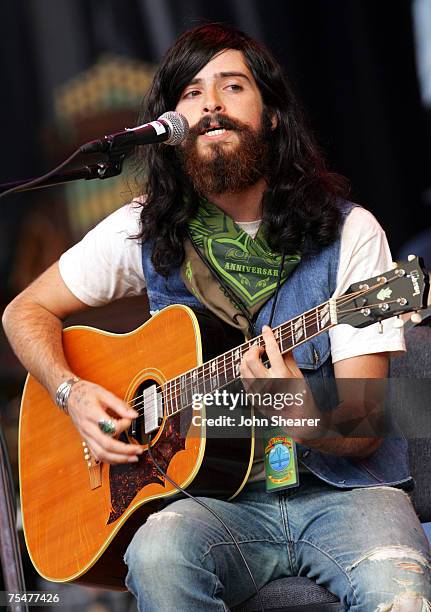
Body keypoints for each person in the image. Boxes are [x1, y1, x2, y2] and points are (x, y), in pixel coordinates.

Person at [3, 23, 431, 612]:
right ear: (170, 129)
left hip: (345, 498)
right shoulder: (145, 227)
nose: (210, 106)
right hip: (214, 505)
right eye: (191, 93)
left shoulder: (349, 231)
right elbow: (23, 311)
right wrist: (70, 391)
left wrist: (298, 408)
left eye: (232, 87)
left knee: (399, 592)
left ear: (273, 115)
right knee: (157, 555)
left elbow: (366, 423)